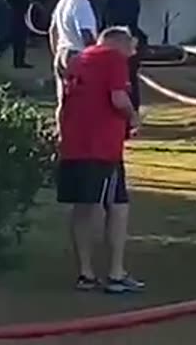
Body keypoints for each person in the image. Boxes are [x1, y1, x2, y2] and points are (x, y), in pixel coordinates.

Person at [55, 26, 144, 295]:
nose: (133, 54)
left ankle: (86, 273)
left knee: (83, 207)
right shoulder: (113, 59)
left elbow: (63, 104)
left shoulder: (79, 60)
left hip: (74, 146)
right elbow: (118, 98)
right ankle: (116, 273)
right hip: (102, 148)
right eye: (132, 48)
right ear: (120, 44)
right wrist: (133, 116)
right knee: (117, 206)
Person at [48, 0, 100, 104]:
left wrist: (57, 53)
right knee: (83, 101)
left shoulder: (63, 2)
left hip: (62, 53)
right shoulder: (82, 4)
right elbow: (86, 35)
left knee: (63, 102)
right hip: (77, 55)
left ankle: (62, 125)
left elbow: (53, 30)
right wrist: (97, 58)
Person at [102, 0, 145, 112]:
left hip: (112, 39)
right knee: (131, 77)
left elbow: (106, 18)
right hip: (126, 39)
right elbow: (133, 21)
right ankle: (132, 109)